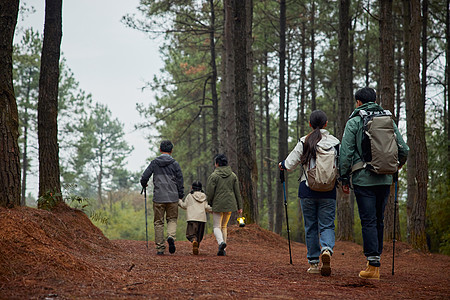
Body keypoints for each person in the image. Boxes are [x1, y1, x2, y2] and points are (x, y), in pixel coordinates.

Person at [339, 87, 409, 280]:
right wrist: (396, 167)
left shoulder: (355, 121)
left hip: (363, 179)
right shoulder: (388, 121)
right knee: (379, 219)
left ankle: (372, 264)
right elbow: (404, 149)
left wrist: (344, 178)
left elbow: (345, 153)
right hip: (385, 178)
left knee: (368, 220)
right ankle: (375, 260)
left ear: (358, 102)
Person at [279, 110, 340, 276]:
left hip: (307, 190)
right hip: (328, 190)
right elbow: (341, 166)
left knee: (311, 227)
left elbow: (290, 164)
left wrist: (282, 165)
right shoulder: (335, 142)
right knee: (327, 225)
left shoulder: (304, 141)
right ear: (326, 124)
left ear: (310, 124)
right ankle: (326, 249)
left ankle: (313, 263)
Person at [140, 140, 184, 255]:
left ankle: (160, 248)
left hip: (159, 197)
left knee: (158, 222)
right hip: (173, 197)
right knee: (172, 219)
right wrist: (180, 194)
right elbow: (180, 180)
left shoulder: (154, 163)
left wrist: (144, 184)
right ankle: (170, 237)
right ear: (171, 150)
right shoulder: (175, 164)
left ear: (160, 150)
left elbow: (145, 177)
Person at [206, 154, 242, 256]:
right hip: (230, 204)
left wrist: (208, 203)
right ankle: (223, 250)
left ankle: (221, 243)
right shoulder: (233, 175)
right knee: (224, 226)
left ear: (217, 164)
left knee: (216, 226)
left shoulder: (214, 176)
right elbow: (237, 192)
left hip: (218, 204)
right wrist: (240, 206)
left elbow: (209, 192)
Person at [178, 181, 212, 255]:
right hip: (202, 219)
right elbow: (206, 207)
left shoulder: (190, 196)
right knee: (199, 235)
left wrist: (179, 201)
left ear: (192, 187)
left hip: (192, 218)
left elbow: (184, 205)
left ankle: (194, 241)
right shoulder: (204, 196)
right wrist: (214, 209)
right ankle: (196, 247)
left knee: (191, 234)